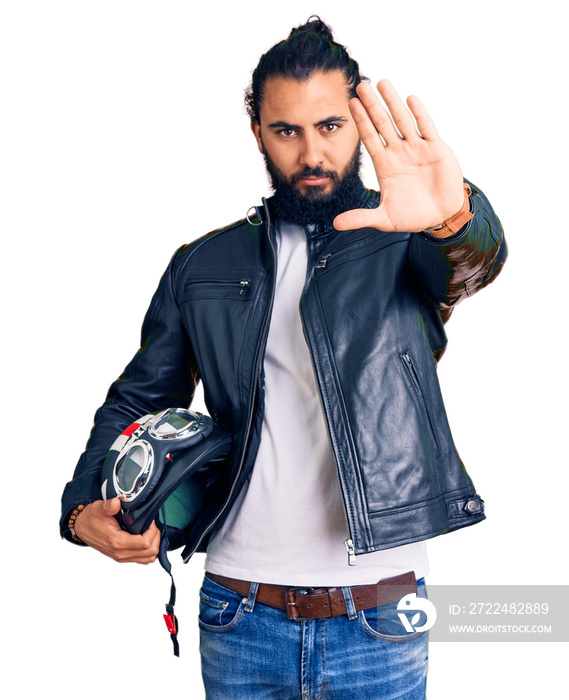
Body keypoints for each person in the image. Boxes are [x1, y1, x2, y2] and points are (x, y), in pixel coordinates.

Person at [60, 16, 507, 699]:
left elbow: (472, 264)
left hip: (380, 614)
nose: (310, 154)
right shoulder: (204, 263)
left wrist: (451, 220)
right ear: (257, 132)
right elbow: (140, 399)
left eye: (329, 126)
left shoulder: (406, 243)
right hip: (238, 612)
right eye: (286, 130)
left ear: (358, 122)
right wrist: (81, 504)